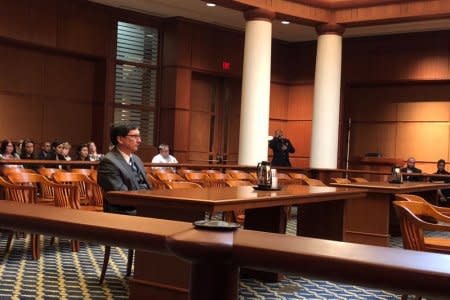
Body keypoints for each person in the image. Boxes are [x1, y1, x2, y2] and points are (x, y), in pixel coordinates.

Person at [98, 123, 151, 214]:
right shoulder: (108, 162)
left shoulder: (136, 159)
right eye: (134, 136)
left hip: (142, 207)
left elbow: (146, 186)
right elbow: (121, 196)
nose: (139, 140)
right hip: (123, 212)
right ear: (120, 139)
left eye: (139, 136)